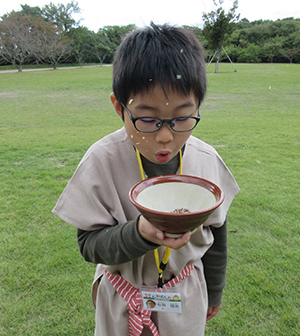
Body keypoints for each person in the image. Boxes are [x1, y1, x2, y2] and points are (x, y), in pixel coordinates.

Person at [52, 23, 240, 336]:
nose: (165, 136)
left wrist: (216, 291)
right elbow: (89, 245)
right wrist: (141, 233)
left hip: (184, 296)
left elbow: (217, 233)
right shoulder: (103, 160)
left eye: (182, 117)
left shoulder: (206, 161)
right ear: (119, 108)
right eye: (148, 119)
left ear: (198, 107)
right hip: (122, 299)